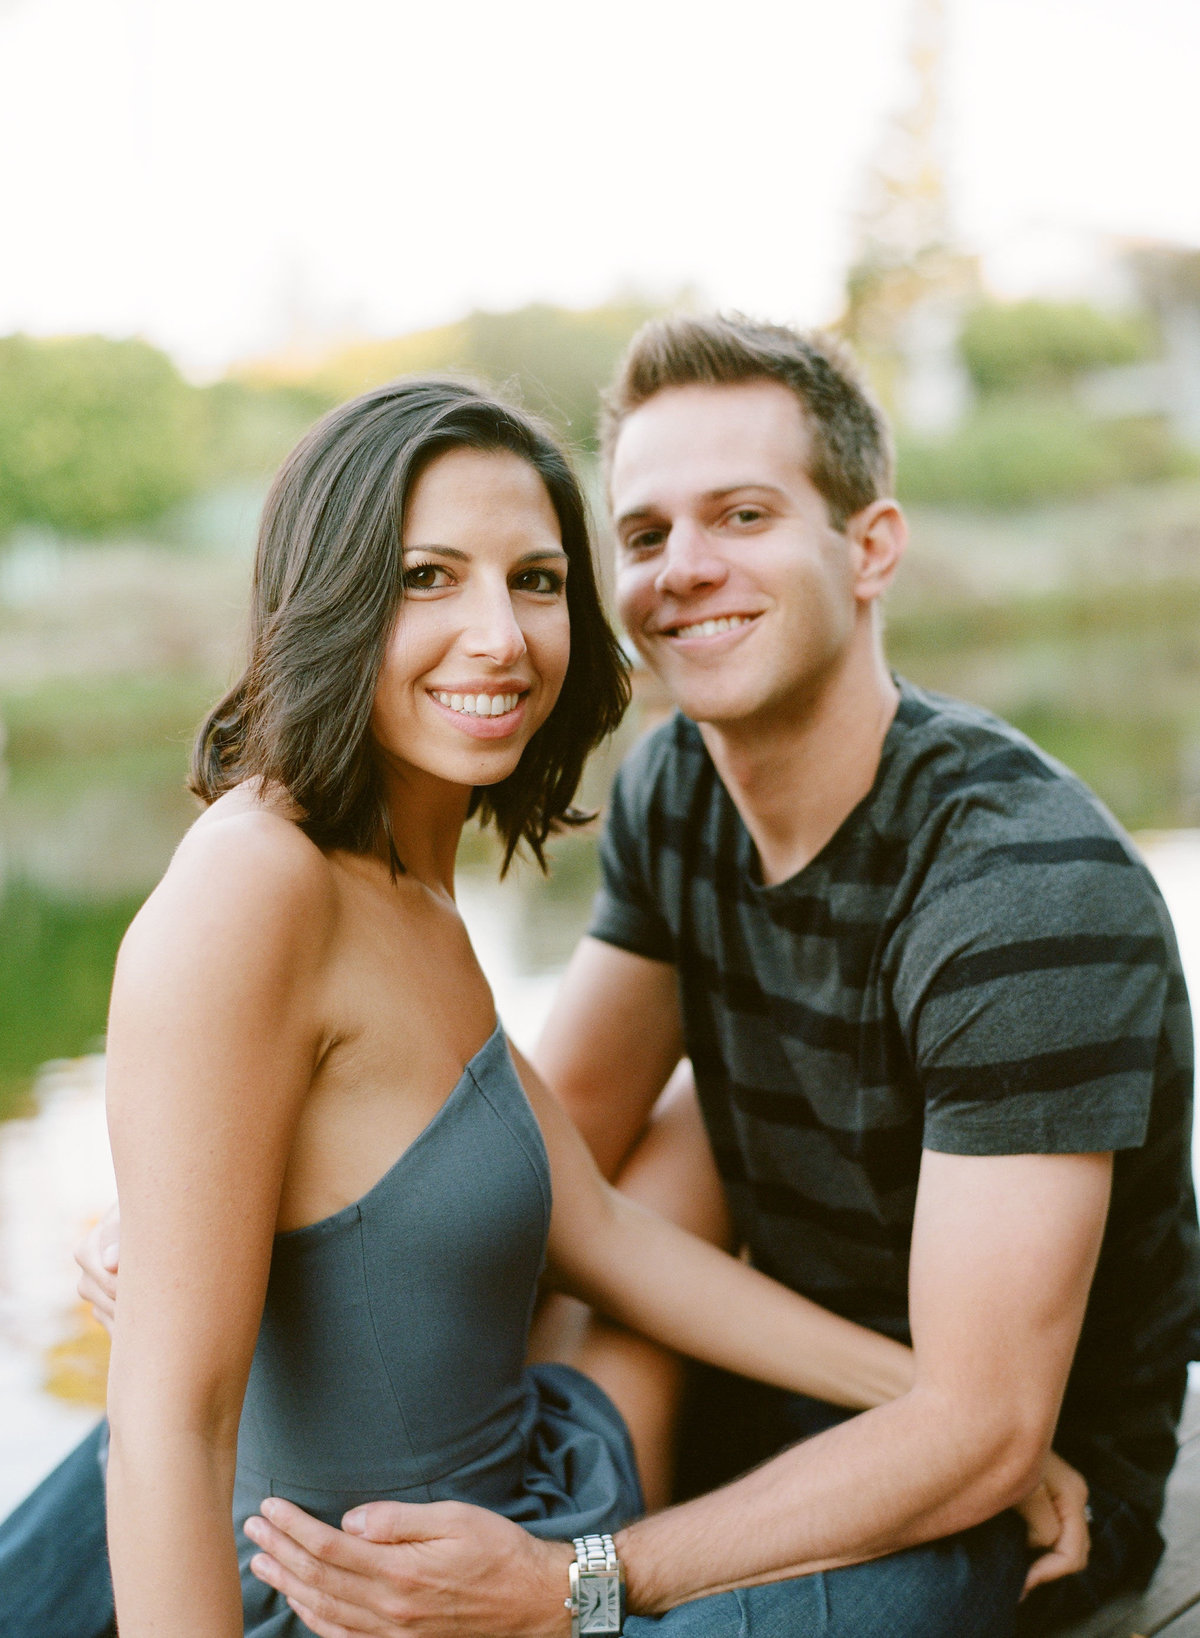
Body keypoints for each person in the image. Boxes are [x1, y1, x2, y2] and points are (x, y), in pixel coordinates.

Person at [167, 316, 1195, 1638]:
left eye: (745, 514)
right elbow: (568, 1154)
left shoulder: (1018, 886)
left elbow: (983, 1431)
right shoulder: (676, 794)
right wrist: (206, 1181)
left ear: (871, 545)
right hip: (755, 1381)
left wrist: (571, 1580)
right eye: (645, 534)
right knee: (226, 1454)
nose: (684, 570)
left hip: (991, 1495)